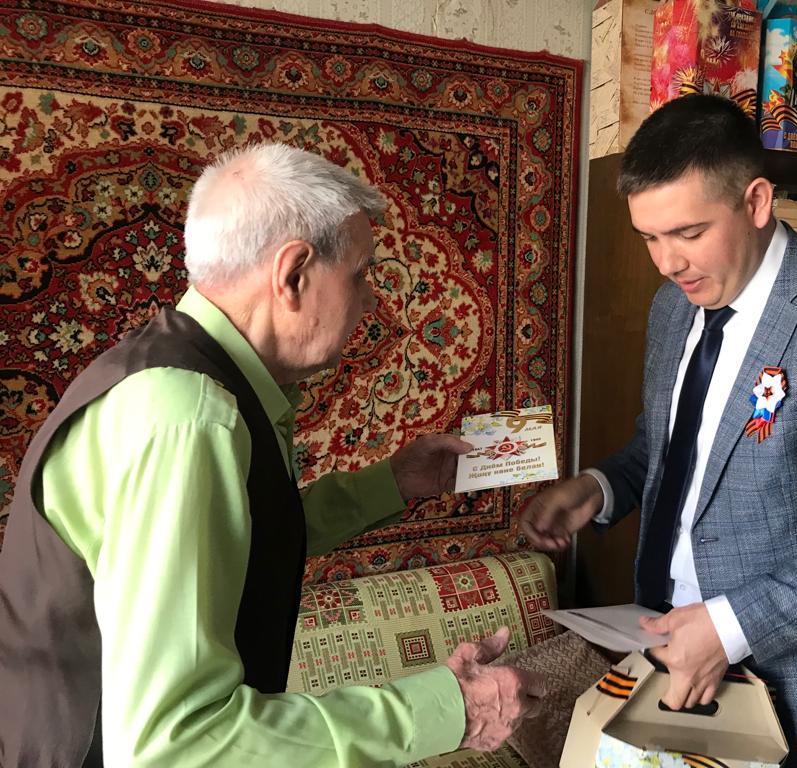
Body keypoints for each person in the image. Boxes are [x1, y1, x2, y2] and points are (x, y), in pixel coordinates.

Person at [0, 143, 544, 767]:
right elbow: (173, 747)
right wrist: (450, 709)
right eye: (360, 275)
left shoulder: (183, 374)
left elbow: (243, 531)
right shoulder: (190, 417)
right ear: (293, 275)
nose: (371, 301)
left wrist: (392, 482)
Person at [521, 94, 797, 767]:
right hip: (674, 650)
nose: (667, 262)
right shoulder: (672, 308)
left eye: (688, 233)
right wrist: (601, 488)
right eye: (649, 237)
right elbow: (672, 443)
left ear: (756, 202)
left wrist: (730, 627)